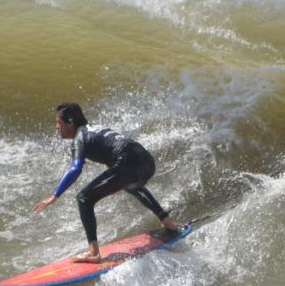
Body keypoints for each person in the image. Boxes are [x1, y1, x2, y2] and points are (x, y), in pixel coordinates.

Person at [33, 102, 183, 262]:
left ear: (70, 122)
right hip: (146, 161)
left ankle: (93, 253)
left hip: (127, 161)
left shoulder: (80, 137)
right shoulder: (96, 129)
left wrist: (55, 195)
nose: (56, 127)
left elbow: (76, 168)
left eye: (58, 122)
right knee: (130, 185)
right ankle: (167, 222)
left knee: (84, 198)